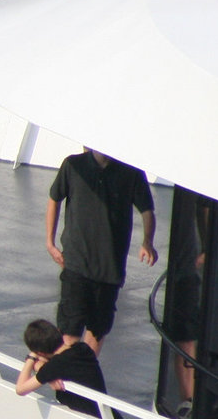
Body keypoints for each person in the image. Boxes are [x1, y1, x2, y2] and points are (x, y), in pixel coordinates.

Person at [45, 148, 157, 353]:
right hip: (76, 264)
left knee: (98, 331)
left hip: (109, 270)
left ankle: (83, 378)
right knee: (69, 332)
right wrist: (50, 243)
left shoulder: (131, 172)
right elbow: (54, 198)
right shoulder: (73, 165)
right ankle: (63, 381)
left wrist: (147, 242)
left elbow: (147, 210)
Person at [15, 318, 107, 419]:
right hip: (109, 416)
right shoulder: (83, 349)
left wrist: (31, 358)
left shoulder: (55, 365)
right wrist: (42, 368)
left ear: (40, 352)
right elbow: (47, 365)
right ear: (58, 333)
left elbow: (21, 389)